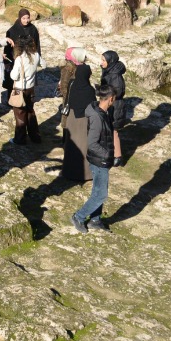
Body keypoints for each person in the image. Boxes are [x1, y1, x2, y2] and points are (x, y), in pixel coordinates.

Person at [72, 83, 122, 232]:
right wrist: (108, 154)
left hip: (101, 159)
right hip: (99, 160)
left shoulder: (104, 111)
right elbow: (92, 143)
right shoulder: (97, 117)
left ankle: (95, 219)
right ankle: (79, 217)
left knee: (98, 191)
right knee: (101, 194)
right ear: (111, 98)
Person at [59, 48, 98, 183]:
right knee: (84, 145)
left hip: (72, 118)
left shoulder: (73, 85)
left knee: (72, 146)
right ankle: (86, 173)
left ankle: (69, 171)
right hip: (84, 120)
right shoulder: (89, 90)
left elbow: (66, 95)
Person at [7, 22, 42, 144]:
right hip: (31, 88)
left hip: (19, 89)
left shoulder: (19, 59)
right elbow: (44, 64)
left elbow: (13, 76)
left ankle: (20, 140)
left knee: (20, 115)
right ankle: (35, 137)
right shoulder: (36, 55)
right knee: (31, 112)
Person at [101, 49, 129, 131]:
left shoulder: (115, 75)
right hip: (109, 103)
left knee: (113, 131)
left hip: (114, 106)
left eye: (103, 60)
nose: (101, 62)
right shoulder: (109, 70)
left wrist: (102, 91)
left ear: (110, 61)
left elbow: (118, 92)